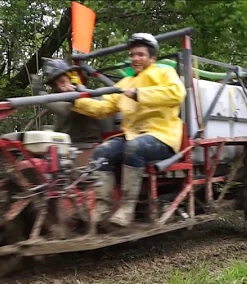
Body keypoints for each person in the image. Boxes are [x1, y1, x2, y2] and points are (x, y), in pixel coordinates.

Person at [51, 33, 187, 228]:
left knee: (134, 148)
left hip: (162, 135)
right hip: (133, 135)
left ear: (152, 58)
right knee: (102, 152)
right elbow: (102, 108)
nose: (135, 59)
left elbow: (176, 93)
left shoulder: (164, 74)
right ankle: (103, 207)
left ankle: (126, 209)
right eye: (132, 55)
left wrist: (140, 94)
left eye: (140, 55)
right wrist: (75, 98)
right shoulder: (125, 83)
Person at [36, 59, 102, 165]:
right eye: (55, 85)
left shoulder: (86, 98)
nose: (60, 87)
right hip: (67, 147)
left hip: (85, 148)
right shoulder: (62, 98)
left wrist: (40, 96)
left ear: (72, 78)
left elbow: (66, 110)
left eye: (62, 81)